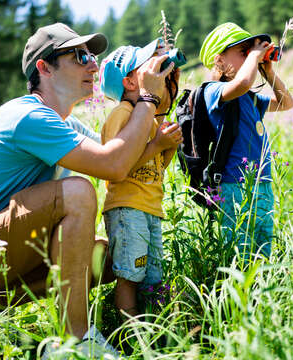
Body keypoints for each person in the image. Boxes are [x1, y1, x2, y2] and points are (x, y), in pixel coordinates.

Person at [0, 22, 174, 349]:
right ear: (45, 68)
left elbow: (122, 160)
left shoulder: (65, 125)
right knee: (78, 191)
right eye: (78, 56)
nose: (92, 63)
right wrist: (146, 96)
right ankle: (76, 341)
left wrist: (161, 115)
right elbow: (111, 165)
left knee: (115, 254)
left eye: (92, 56)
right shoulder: (26, 115)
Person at [98, 38, 182, 320]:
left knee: (152, 276)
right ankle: (132, 335)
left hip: (149, 208)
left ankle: (157, 328)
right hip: (126, 207)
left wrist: (167, 147)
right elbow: (119, 166)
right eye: (147, 65)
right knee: (130, 276)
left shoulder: (148, 117)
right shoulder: (121, 115)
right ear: (131, 82)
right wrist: (156, 145)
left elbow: (156, 167)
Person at [198, 23, 293, 260]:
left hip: (262, 181)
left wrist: (268, 72)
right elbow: (241, 84)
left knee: (263, 247)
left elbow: (286, 103)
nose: (252, 55)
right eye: (244, 51)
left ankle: (259, 291)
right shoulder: (214, 91)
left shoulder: (251, 99)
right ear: (219, 60)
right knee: (238, 252)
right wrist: (254, 57)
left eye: (251, 52)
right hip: (233, 185)